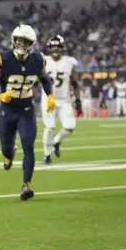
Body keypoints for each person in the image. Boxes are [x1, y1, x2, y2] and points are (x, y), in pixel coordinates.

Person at [0, 25, 55, 200]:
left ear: (32, 44)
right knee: (6, 148)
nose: (22, 44)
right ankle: (9, 155)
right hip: (8, 110)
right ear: (14, 40)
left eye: (26, 42)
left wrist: (51, 95)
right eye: (19, 40)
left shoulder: (38, 60)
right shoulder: (3, 58)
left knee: (28, 144)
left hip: (26, 109)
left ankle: (26, 185)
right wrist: (1, 96)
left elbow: (45, 80)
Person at [41, 35, 82, 164]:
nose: (55, 49)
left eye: (58, 46)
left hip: (65, 99)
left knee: (70, 127)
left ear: (62, 47)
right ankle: (47, 155)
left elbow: (75, 83)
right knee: (49, 127)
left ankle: (56, 141)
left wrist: (78, 100)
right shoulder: (43, 61)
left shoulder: (69, 62)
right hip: (49, 99)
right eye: (53, 46)